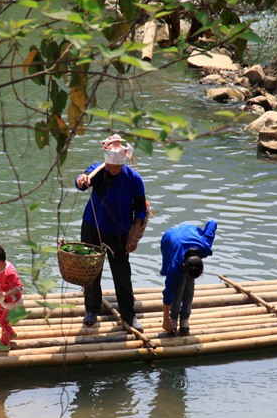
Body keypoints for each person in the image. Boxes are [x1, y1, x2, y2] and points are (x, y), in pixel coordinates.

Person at [74, 134, 148, 330]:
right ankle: (91, 310)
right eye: (109, 166)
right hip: (93, 227)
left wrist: (134, 237)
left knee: (122, 273)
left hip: (119, 232)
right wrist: (81, 179)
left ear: (123, 164)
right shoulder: (99, 170)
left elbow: (141, 210)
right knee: (91, 271)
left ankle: (128, 314)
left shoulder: (133, 179)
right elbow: (83, 181)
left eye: (116, 168)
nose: (112, 170)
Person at [159, 220, 217, 336]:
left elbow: (212, 223)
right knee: (178, 284)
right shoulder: (176, 265)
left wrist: (199, 233)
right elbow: (168, 292)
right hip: (171, 237)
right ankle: (174, 317)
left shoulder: (205, 247)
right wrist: (166, 319)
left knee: (189, 284)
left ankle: (185, 318)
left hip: (190, 231)